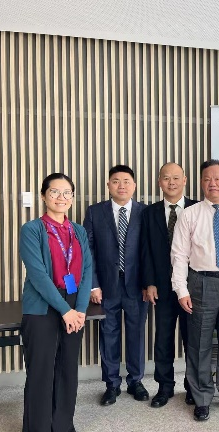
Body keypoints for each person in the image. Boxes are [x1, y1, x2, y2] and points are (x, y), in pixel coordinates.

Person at [19, 173, 92, 432]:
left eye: (67, 193)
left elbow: (86, 271)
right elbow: (38, 275)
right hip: (42, 306)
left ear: (72, 197)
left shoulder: (78, 231)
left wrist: (80, 309)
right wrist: (65, 310)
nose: (61, 198)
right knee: (41, 370)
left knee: (66, 369)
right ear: (43, 196)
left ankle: (63, 430)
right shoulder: (32, 229)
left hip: (73, 305)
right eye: (54, 192)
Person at [171, 159, 219, 421]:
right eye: (207, 179)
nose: (212, 183)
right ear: (201, 183)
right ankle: (201, 397)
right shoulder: (189, 214)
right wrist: (181, 290)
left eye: (217, 178)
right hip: (200, 283)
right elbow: (179, 255)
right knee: (199, 343)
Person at [83, 165, 149, 406]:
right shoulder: (95, 212)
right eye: (116, 181)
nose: (121, 186)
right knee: (108, 334)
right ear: (108, 185)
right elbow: (87, 250)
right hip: (106, 286)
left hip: (137, 286)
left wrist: (149, 283)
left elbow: (150, 251)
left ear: (134, 185)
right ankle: (111, 384)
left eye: (126, 181)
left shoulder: (145, 212)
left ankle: (135, 381)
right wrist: (93, 285)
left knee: (136, 334)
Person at [140, 163, 199, 408]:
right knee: (163, 338)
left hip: (192, 287)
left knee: (192, 339)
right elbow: (145, 251)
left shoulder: (198, 208)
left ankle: (193, 387)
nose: (171, 182)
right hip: (162, 288)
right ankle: (164, 387)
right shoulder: (149, 213)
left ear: (184, 180)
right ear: (159, 182)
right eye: (166, 178)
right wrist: (149, 283)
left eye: (176, 178)